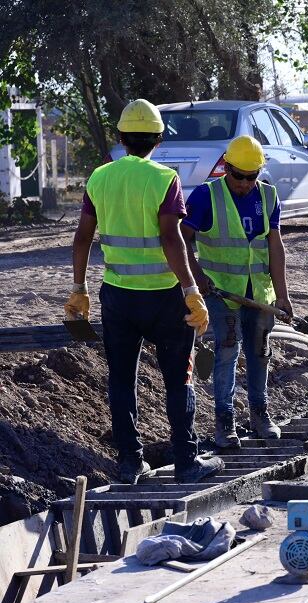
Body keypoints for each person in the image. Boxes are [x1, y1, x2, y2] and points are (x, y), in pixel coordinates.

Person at [66, 99, 224, 485]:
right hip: (165, 298)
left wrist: (79, 288)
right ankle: (187, 463)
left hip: (118, 296)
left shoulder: (99, 178)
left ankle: (130, 462)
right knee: (179, 379)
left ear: (120, 138)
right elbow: (172, 238)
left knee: (121, 380)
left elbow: (83, 237)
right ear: (157, 139)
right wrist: (191, 289)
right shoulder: (164, 178)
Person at [181, 135, 292, 448]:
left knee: (259, 352)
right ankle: (224, 422)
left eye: (251, 176)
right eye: (239, 175)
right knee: (227, 351)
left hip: (258, 293)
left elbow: (275, 245)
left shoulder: (268, 197)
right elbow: (181, 239)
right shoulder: (206, 196)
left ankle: (260, 415)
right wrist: (197, 276)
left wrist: (282, 294)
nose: (245, 183)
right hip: (221, 293)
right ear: (226, 168)